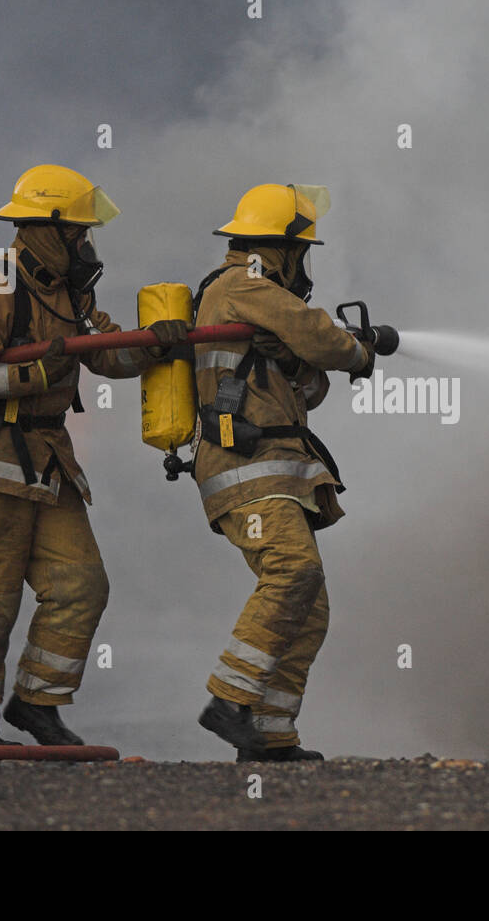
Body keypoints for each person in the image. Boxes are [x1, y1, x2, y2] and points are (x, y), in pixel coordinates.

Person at [0, 164, 188, 745]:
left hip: (47, 463)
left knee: (81, 585)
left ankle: (37, 704)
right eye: (78, 233)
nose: (85, 244)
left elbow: (105, 355)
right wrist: (34, 373)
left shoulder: (72, 294)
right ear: (47, 229)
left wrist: (157, 346)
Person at [191, 183, 375, 762]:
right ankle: (228, 700)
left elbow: (303, 387)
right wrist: (358, 352)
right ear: (282, 249)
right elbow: (316, 331)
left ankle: (269, 736)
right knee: (293, 571)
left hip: (273, 470)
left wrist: (303, 361)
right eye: (303, 252)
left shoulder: (248, 298)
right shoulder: (243, 284)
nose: (305, 267)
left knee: (309, 602)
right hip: (247, 472)